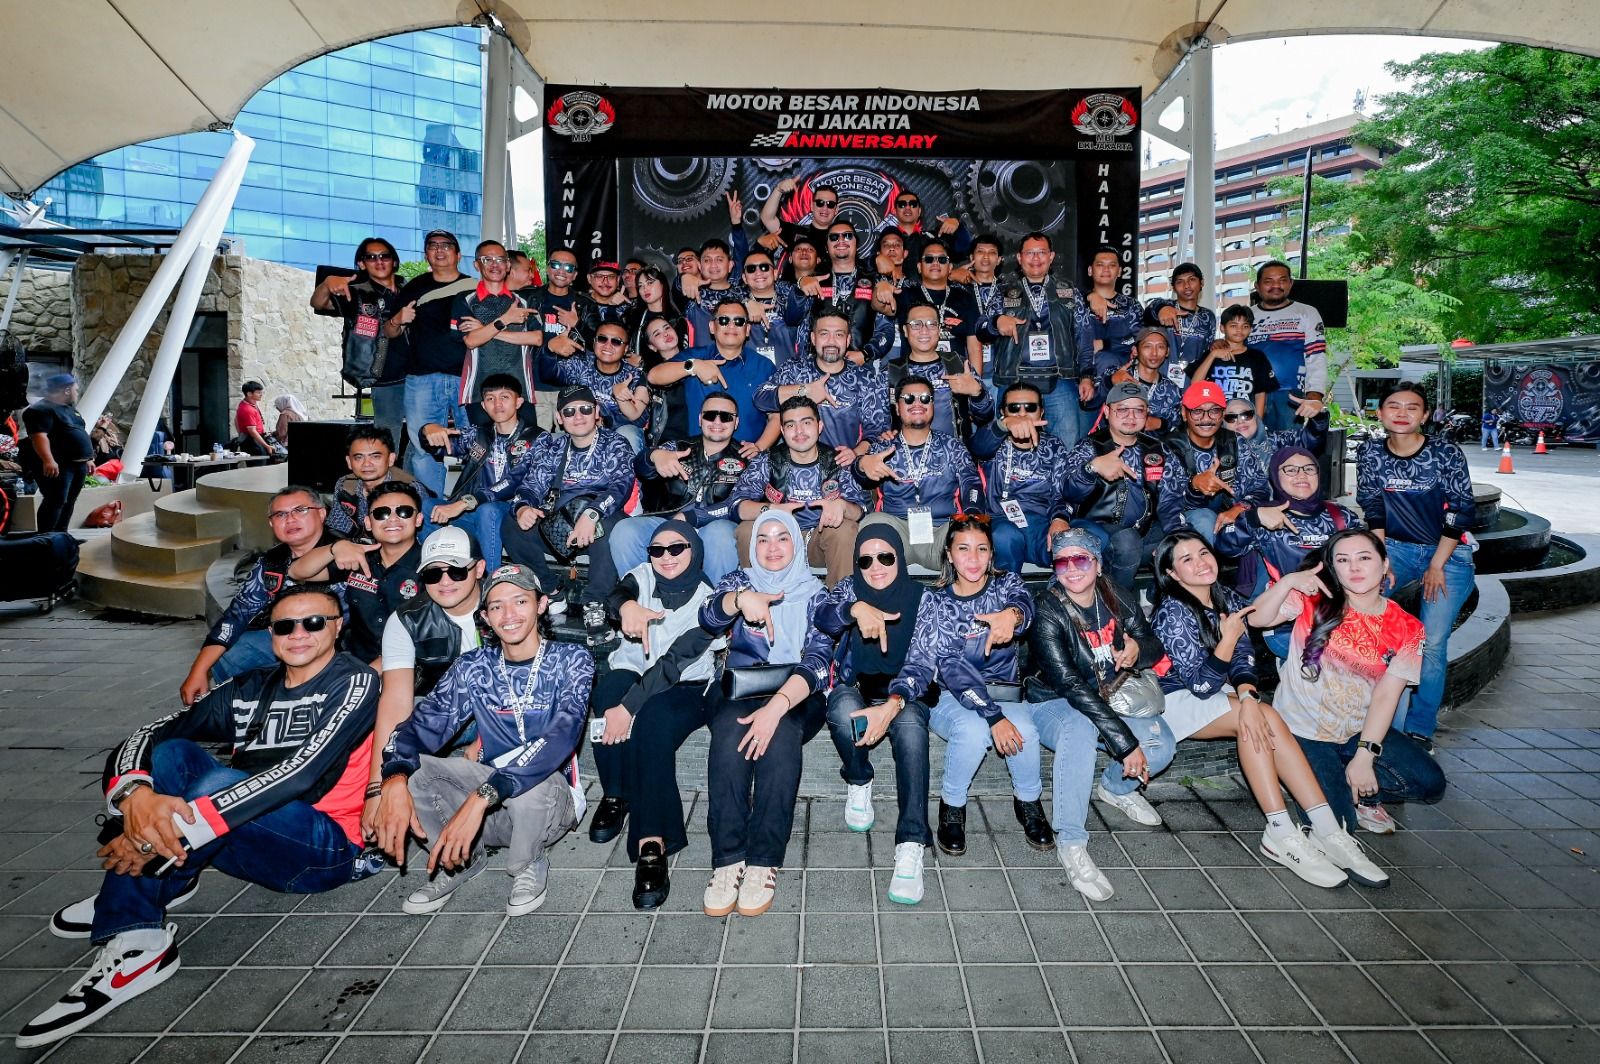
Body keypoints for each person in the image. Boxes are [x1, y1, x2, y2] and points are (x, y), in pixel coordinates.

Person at [16, 585, 380, 1048]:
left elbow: (300, 775)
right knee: (171, 755)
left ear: (337, 626)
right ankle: (167, 877)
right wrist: (134, 800)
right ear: (271, 633)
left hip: (321, 850)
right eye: (284, 625)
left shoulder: (354, 682)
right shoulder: (252, 686)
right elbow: (151, 733)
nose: (298, 634)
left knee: (216, 784)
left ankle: (138, 933)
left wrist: (147, 838)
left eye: (313, 622)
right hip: (237, 831)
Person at [1150, 530, 1384, 888]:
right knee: (1257, 719)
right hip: (1175, 700)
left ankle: (1327, 831)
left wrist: (1247, 697)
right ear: (1172, 573)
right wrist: (1228, 640)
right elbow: (1199, 685)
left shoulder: (1224, 596)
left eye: (1203, 553)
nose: (1201, 563)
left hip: (1218, 692)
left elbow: (1244, 658)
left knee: (1264, 715)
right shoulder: (1172, 611)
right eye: (1187, 559)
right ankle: (1281, 832)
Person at [374, 564, 590, 917]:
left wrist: (481, 796)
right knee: (416, 772)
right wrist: (393, 778)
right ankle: (459, 860)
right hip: (487, 811)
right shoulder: (474, 666)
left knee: (531, 786)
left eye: (520, 601)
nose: (509, 614)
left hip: (547, 805)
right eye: (497, 606)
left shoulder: (571, 659)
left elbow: (561, 735)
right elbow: (423, 724)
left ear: (541, 605)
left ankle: (528, 862)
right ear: (486, 617)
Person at [868, 516, 1053, 857]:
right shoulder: (936, 601)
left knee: (1025, 728)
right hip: (951, 697)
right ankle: (952, 805)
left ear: (991, 554)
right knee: (972, 729)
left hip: (1002, 691)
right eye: (963, 549)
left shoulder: (1006, 586)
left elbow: (1026, 606)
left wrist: (1012, 616)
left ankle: (1029, 801)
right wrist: (993, 716)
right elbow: (940, 665)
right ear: (949, 555)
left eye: (982, 549)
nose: (973, 558)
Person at [1249, 529, 1447, 836]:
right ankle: (1317, 781)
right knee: (1341, 827)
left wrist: (1365, 757)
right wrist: (1288, 582)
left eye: (1364, 558)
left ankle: (1348, 784)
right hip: (1302, 732)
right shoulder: (1314, 599)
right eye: (1342, 560)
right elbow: (1256, 619)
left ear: (1384, 564)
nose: (1354, 567)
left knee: (1430, 784)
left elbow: (1386, 696)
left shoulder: (1408, 627)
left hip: (1357, 730)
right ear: (1333, 568)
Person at [1025, 529, 1176, 899]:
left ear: (1098, 563)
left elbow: (1154, 646)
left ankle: (1113, 788)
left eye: (1081, 559)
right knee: (1079, 730)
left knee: (1161, 745)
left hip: (1109, 696)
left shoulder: (1116, 595)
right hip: (1053, 702)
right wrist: (1124, 743)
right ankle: (1071, 842)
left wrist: (1138, 650)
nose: (1072, 569)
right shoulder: (1047, 609)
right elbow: (1070, 685)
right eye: (1062, 562)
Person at [699, 508, 833, 918]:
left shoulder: (817, 594)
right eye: (763, 538)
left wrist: (776, 708)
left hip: (798, 693)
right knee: (729, 734)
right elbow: (708, 616)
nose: (772, 548)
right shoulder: (739, 581)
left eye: (782, 537)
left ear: (797, 544)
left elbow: (818, 662)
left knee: (779, 737)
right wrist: (740, 600)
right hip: (740, 686)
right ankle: (728, 859)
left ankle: (763, 859)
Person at [588, 523, 724, 908]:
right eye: (657, 549)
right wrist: (626, 606)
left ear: (694, 551)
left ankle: (652, 840)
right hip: (634, 670)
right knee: (608, 692)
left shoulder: (708, 600)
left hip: (684, 685)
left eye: (677, 548)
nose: (666, 557)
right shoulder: (643, 576)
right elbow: (618, 594)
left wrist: (629, 708)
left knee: (650, 724)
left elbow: (673, 663)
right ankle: (617, 793)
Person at [813, 525, 933, 904]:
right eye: (865, 560)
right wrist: (854, 609)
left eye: (885, 557)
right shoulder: (850, 589)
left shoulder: (922, 598)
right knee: (842, 709)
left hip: (906, 693)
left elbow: (925, 662)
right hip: (859, 685)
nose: (875, 566)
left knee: (911, 730)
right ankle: (859, 778)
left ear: (900, 557)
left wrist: (892, 705)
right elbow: (821, 617)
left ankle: (911, 842)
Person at [1356, 381, 1475, 747]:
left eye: (1412, 407)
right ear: (1380, 413)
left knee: (1433, 642)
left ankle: (1420, 728)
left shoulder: (1445, 452)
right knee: (1362, 617)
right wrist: (1380, 560)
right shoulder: (1369, 452)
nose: (1402, 413)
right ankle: (1365, 713)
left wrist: (1436, 565)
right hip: (1395, 548)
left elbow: (1460, 511)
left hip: (1448, 553)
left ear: (1424, 416)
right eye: (1394, 406)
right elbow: (1373, 506)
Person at [367, 526, 486, 840]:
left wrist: (486, 738)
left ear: (479, 569)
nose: (445, 581)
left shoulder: (505, 606)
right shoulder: (407, 619)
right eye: (433, 574)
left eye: (456, 571)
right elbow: (395, 701)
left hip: (503, 714)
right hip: (442, 714)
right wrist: (377, 787)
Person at [179, 486, 342, 700]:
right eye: (280, 514)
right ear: (271, 523)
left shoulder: (346, 550)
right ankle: (257, 709)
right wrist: (199, 670)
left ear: (321, 513)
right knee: (233, 652)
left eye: (300, 510)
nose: (290, 519)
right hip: (289, 637)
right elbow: (236, 616)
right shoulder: (271, 562)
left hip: (343, 643)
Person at [502, 385, 636, 642]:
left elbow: (622, 485)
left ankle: (595, 603)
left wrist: (593, 513)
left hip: (600, 523)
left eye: (585, 409)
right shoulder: (554, 447)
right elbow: (530, 485)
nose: (578, 416)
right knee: (511, 523)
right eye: (569, 411)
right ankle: (551, 591)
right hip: (559, 524)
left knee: (612, 526)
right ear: (559, 418)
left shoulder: (615, 443)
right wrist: (523, 507)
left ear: (596, 412)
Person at [1216, 444, 1360, 658]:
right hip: (1286, 624)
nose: (1301, 475)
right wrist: (1253, 518)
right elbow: (1224, 546)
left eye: (1309, 468)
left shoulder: (1342, 515)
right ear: (1276, 476)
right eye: (1290, 469)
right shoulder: (1266, 516)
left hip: (1339, 616)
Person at [733, 395, 868, 586]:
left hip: (819, 541)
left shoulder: (838, 461)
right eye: (790, 425)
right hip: (777, 541)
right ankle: (758, 595)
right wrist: (772, 509)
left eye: (806, 423)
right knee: (747, 529)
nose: (799, 431)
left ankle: (841, 598)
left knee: (845, 529)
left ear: (819, 426)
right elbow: (736, 505)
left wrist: (842, 506)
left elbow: (861, 510)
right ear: (782, 431)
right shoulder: (767, 460)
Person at [855, 376, 985, 573]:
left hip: (942, 533)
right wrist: (861, 464)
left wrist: (972, 513)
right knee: (871, 524)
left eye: (925, 398)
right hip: (896, 534)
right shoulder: (882, 448)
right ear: (897, 408)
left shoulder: (952, 446)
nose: (917, 403)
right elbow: (861, 479)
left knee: (970, 533)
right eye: (908, 399)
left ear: (933, 405)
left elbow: (971, 481)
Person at [288, 480, 424, 667]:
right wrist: (335, 548)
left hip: (407, 666)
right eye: (381, 513)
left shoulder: (432, 567)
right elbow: (297, 572)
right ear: (368, 523)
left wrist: (368, 673)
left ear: (418, 519)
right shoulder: (359, 557)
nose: (393, 519)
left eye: (404, 512)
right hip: (354, 660)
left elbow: (427, 635)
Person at [977, 232, 1094, 447]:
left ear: (1051, 256)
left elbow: (1084, 337)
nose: (1036, 258)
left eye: (1041, 252)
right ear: (1019, 258)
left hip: (1060, 381)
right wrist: (996, 322)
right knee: (1009, 447)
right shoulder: (1003, 292)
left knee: (1066, 447)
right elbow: (980, 329)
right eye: (1030, 253)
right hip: (1014, 381)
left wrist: (1086, 376)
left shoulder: (1069, 291)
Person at [615, 391, 746, 582]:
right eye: (710, 415)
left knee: (719, 534)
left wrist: (692, 517)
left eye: (726, 417)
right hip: (668, 522)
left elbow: (742, 504)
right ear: (700, 419)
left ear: (736, 422)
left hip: (716, 526)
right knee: (624, 530)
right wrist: (654, 456)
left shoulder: (747, 458)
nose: (717, 422)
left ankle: (717, 598)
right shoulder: (678, 447)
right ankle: (639, 594)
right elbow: (639, 467)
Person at [423, 373, 540, 568]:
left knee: (488, 510)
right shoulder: (478, 434)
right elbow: (441, 447)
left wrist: (465, 503)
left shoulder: (536, 437)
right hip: (473, 509)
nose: (497, 404)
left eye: (505, 397)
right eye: (490, 399)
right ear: (484, 406)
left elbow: (514, 482)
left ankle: (490, 577)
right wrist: (428, 431)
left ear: (518, 402)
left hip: (512, 510)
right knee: (428, 506)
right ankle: (434, 569)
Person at [395, 229, 476, 498]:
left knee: (478, 446)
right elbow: (390, 331)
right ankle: (433, 510)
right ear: (426, 253)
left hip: (467, 377)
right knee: (423, 449)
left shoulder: (476, 288)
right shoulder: (414, 287)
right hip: (422, 378)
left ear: (458, 254)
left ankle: (469, 506)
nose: (440, 250)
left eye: (446, 245)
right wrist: (397, 320)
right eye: (433, 245)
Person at [1064, 381, 1168, 589]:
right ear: (1106, 411)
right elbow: (1067, 491)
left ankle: (1158, 597)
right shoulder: (1089, 446)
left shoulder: (1156, 449)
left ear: (1147, 414)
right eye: (1122, 409)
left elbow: (1172, 497)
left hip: (1143, 530)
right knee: (1128, 541)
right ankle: (1118, 602)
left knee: (1185, 536)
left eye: (1138, 410)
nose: (1131, 417)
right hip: (1097, 531)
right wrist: (1091, 468)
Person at [754, 308, 891, 457]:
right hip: (795, 466)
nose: (831, 341)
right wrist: (804, 390)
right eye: (824, 334)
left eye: (839, 334)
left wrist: (854, 454)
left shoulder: (866, 380)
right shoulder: (794, 370)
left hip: (842, 466)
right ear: (813, 338)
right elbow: (760, 397)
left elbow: (878, 431)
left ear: (848, 340)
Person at [312, 237, 410, 443]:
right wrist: (327, 283)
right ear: (362, 264)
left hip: (419, 375)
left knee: (423, 434)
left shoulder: (410, 289)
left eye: (384, 256)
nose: (379, 261)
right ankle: (389, 467)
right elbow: (319, 303)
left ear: (394, 261)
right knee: (388, 438)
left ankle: (409, 467)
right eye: (371, 257)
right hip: (384, 378)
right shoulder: (357, 292)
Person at [969, 382, 1072, 573]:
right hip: (1000, 521)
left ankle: (1058, 591)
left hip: (1041, 523)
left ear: (1041, 412)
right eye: (1014, 408)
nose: (1022, 414)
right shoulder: (993, 440)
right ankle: (1008, 590)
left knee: (1077, 540)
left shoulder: (1054, 445)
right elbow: (977, 447)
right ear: (1003, 412)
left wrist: (1059, 519)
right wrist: (1002, 426)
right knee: (1004, 536)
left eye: (1030, 407)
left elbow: (1062, 491)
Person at [665, 297, 776, 448]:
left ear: (748, 329)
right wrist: (693, 366)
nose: (731, 326)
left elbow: (776, 415)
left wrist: (759, 447)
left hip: (746, 457)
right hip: (698, 456)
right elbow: (654, 376)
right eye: (724, 320)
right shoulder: (695, 356)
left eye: (739, 321)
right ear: (712, 327)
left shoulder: (764, 366)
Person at [454, 239, 544, 425]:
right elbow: (471, 341)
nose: (495, 264)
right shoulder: (465, 299)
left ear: (508, 265)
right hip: (479, 390)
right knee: (483, 442)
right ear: (477, 264)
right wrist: (505, 320)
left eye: (500, 259)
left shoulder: (523, 300)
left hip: (521, 390)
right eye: (487, 259)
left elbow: (536, 338)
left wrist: (485, 329)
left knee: (526, 442)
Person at [887, 299, 994, 443]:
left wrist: (977, 394)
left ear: (939, 330)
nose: (924, 330)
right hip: (906, 454)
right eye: (916, 324)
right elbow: (877, 424)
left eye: (931, 324)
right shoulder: (890, 372)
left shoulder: (959, 364)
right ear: (905, 331)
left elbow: (986, 416)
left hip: (955, 453)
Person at [1157, 380, 1246, 544]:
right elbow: (1168, 506)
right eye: (1197, 411)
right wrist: (1194, 486)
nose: (1206, 419)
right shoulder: (1168, 447)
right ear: (1184, 413)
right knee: (1205, 519)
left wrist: (1240, 508)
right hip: (1188, 517)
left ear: (1223, 414)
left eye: (1214, 411)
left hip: (1229, 510)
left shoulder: (1235, 441)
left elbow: (1259, 487)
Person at [1248, 260, 1328, 432]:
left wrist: (1315, 395)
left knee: (1288, 446)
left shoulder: (1307, 312)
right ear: (1257, 286)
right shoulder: (1247, 315)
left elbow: (1316, 357)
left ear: (1291, 284)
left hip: (1290, 396)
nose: (1276, 286)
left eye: (1282, 280)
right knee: (1247, 445)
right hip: (1250, 394)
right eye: (1269, 281)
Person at [548, 320, 651, 451]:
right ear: (594, 342)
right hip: (585, 432)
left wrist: (619, 401)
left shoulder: (635, 375)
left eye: (616, 341)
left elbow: (637, 418)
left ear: (625, 349)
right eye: (602, 339)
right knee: (546, 440)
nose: (608, 345)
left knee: (628, 434)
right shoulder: (581, 364)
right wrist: (549, 350)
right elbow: (548, 374)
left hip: (621, 434)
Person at [1224, 389, 1330, 508]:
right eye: (1231, 417)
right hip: (1233, 514)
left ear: (1256, 417)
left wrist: (1318, 416)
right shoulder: (1216, 450)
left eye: (1246, 415)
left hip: (1284, 510)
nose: (1240, 421)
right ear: (1222, 422)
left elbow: (1311, 439)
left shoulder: (1277, 441)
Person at [325, 425, 425, 543]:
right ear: (349, 462)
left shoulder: (410, 489)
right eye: (358, 457)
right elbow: (338, 529)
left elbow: (422, 536)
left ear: (391, 459)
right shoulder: (345, 485)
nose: (367, 464)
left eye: (375, 457)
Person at [22, 373, 94, 532]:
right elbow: (39, 436)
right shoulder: (40, 409)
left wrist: (88, 458)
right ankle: (46, 537)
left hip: (78, 465)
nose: (77, 392)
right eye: (75, 389)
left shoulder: (70, 410)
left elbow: (78, 432)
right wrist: (48, 460)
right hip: (59, 465)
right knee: (55, 500)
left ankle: (61, 535)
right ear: (66, 390)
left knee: (69, 501)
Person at [1077, 246, 1145, 407]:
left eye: (1112, 265)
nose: (1106, 269)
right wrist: (1089, 296)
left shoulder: (1131, 305)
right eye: (1100, 265)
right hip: (1081, 382)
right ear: (1090, 270)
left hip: (1120, 381)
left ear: (1119, 271)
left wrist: (1105, 344)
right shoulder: (1077, 303)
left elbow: (1140, 341)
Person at [1185, 304, 1277, 419]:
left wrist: (1258, 420)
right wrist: (1213, 355)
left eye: (1245, 326)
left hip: (1244, 417)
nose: (1239, 330)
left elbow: (1260, 393)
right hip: (1215, 416)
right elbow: (1195, 384)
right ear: (1222, 328)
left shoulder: (1257, 357)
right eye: (1233, 325)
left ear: (1251, 329)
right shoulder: (1212, 353)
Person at [1144, 262, 1218, 383]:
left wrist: (1217, 344)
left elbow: (1207, 352)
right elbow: (1149, 312)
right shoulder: (1166, 307)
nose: (1187, 286)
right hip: (1159, 380)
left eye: (1192, 280)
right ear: (1173, 287)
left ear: (1202, 283)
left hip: (1192, 381)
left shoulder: (1208, 316)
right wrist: (1161, 309)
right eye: (1180, 282)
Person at [1110, 327, 1184, 432]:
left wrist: (1160, 424)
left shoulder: (1172, 390)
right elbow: (1091, 401)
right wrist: (1109, 381)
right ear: (1135, 350)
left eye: (1160, 347)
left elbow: (1177, 425)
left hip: (1152, 442)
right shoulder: (1117, 375)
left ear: (1167, 351)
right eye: (1147, 346)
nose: (1154, 353)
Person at [234, 380, 272, 456]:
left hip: (254, 439)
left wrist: (241, 434)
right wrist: (267, 446)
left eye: (261, 392)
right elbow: (252, 431)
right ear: (249, 394)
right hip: (253, 442)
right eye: (258, 392)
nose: (261, 394)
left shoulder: (247, 403)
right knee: (259, 462)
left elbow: (236, 419)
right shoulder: (247, 409)